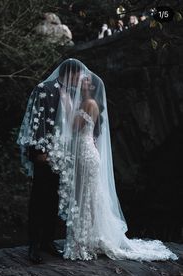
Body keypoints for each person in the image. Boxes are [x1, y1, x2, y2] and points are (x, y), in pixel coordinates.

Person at [46, 60, 179, 261]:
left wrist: (66, 105)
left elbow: (74, 127)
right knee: (86, 196)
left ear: (90, 87)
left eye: (85, 81)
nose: (81, 82)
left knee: (86, 197)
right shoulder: (83, 103)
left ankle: (85, 241)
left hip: (86, 155)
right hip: (84, 154)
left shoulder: (89, 104)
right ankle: (86, 238)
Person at [17, 58, 85, 263]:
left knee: (55, 197)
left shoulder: (71, 93)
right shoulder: (44, 88)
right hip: (44, 154)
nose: (79, 81)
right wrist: (39, 151)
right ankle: (34, 246)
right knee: (39, 198)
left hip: (63, 155)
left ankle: (48, 240)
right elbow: (35, 120)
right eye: (77, 76)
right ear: (70, 73)